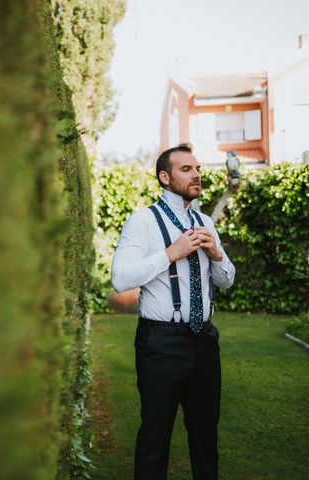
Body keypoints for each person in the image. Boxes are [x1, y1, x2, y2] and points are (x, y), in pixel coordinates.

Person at [110, 143, 236, 480]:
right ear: (165, 177)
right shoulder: (143, 222)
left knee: (206, 436)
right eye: (186, 169)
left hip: (204, 340)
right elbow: (120, 278)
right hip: (161, 342)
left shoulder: (206, 221)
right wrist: (170, 253)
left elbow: (225, 281)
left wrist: (217, 255)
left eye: (197, 169)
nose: (196, 174)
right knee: (155, 436)